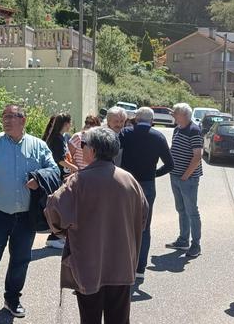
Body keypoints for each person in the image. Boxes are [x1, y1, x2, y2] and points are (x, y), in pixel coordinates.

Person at [44, 127, 148, 324]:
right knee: (119, 318)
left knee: (89, 316)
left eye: (83, 145)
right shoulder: (129, 180)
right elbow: (143, 217)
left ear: (92, 150)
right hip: (122, 262)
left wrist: (63, 231)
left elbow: (54, 213)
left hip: (88, 264)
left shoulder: (78, 181)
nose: (81, 149)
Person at [0, 104, 59, 324]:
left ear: (24, 119)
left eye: (12, 116)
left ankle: (12, 300)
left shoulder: (38, 146)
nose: (7, 120)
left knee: (20, 260)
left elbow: (54, 170)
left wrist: (39, 178)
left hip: (25, 217)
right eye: (4, 116)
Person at [119, 106, 174, 280]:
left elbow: (113, 154)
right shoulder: (158, 137)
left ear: (135, 118)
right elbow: (170, 164)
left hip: (126, 183)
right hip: (148, 185)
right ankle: (140, 269)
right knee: (144, 226)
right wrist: (154, 173)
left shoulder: (125, 134)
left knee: (124, 223)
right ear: (152, 121)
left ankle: (123, 264)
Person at [164, 103, 204, 258]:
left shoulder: (194, 130)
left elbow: (197, 156)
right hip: (176, 176)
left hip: (187, 179)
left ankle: (196, 245)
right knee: (181, 210)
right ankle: (183, 240)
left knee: (192, 212)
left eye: (175, 114)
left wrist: (186, 175)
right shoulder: (177, 128)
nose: (173, 116)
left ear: (184, 115)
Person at [41, 112, 73, 249]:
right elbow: (60, 160)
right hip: (58, 177)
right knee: (61, 207)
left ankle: (57, 236)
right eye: (70, 122)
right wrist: (75, 168)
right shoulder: (57, 139)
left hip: (62, 177)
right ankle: (54, 236)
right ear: (65, 124)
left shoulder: (61, 137)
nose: (71, 125)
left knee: (62, 207)